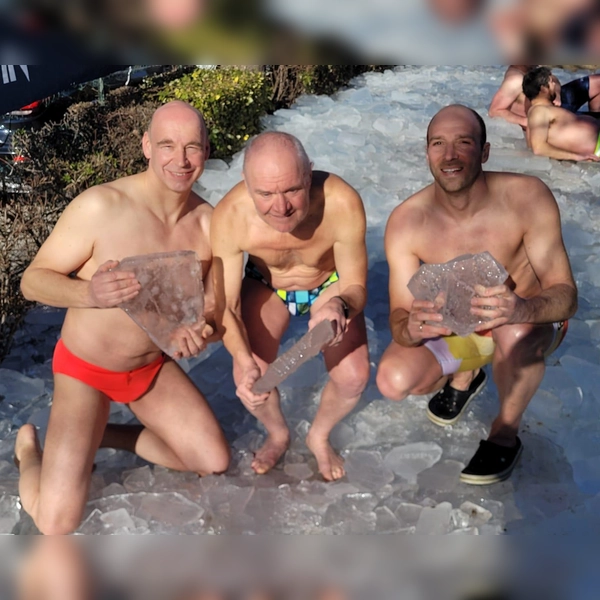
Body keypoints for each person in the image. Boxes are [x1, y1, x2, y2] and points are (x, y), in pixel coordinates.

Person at [16, 100, 230, 535]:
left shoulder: (210, 225)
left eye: (192, 147)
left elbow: (216, 313)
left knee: (212, 462)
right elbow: (32, 281)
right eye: (167, 145)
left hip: (149, 369)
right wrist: (88, 293)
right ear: (146, 146)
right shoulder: (102, 206)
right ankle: (30, 456)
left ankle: (105, 434)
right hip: (84, 371)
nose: (180, 159)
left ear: (207, 150)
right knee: (56, 522)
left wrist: (201, 332)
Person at [376, 104, 577, 485]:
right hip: (463, 329)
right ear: (427, 152)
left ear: (484, 152)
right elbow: (400, 319)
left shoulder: (525, 197)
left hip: (528, 323)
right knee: (394, 379)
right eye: (438, 144)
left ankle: (505, 433)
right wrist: (413, 328)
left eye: (463, 142)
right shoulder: (407, 221)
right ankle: (467, 375)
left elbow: (566, 295)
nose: (449, 155)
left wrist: (521, 308)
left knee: (512, 334)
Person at [211, 131, 369, 481]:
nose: (280, 208)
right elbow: (227, 306)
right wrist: (242, 359)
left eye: (292, 191)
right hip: (268, 285)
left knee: (354, 377)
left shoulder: (340, 202)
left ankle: (319, 435)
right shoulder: (230, 216)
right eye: (265, 194)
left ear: (309, 174)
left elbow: (356, 285)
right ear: (246, 183)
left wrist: (341, 306)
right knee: (251, 378)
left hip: (329, 284)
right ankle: (278, 432)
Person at [523, 66, 600, 161]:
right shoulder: (538, 111)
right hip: (596, 147)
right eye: (551, 82)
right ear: (543, 89)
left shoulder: (543, 110)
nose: (554, 85)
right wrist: (577, 157)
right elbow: (538, 148)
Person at [489, 65, 600, 130]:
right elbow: (495, 111)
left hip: (558, 102)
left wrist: (557, 94)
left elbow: (553, 79)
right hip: (549, 117)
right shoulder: (515, 80)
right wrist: (525, 121)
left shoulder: (532, 67)